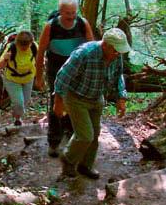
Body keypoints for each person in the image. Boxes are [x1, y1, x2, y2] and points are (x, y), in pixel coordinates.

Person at [53, 28, 130, 179]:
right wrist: (58, 101)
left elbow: (118, 74)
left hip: (96, 97)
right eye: (116, 51)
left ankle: (85, 165)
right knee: (85, 135)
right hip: (76, 98)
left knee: (94, 135)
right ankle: (68, 159)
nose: (118, 54)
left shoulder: (116, 55)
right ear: (106, 45)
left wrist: (121, 97)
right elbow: (63, 76)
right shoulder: (85, 53)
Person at [35, 0, 94, 157]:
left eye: (74, 12)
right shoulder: (51, 27)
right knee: (57, 103)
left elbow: (93, 47)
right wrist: (39, 77)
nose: (71, 16)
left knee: (75, 101)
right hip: (56, 66)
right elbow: (40, 53)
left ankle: (72, 134)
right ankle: (54, 141)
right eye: (67, 13)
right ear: (60, 12)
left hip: (78, 67)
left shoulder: (82, 24)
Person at [0, 31, 37, 126]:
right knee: (19, 102)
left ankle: (17, 119)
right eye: (21, 46)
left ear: (30, 43)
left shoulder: (34, 47)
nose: (23, 48)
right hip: (12, 79)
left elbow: (40, 60)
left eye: (26, 46)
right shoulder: (11, 48)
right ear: (17, 43)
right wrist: (5, 59)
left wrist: (40, 77)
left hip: (28, 78)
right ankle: (17, 119)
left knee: (24, 102)